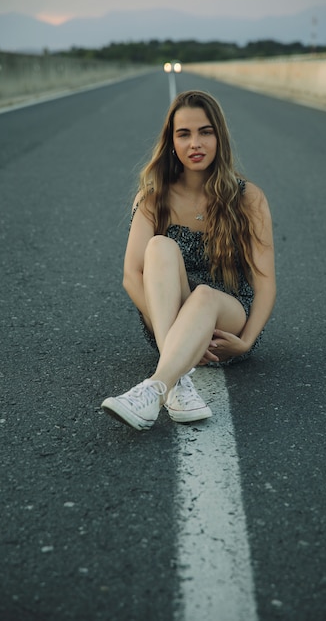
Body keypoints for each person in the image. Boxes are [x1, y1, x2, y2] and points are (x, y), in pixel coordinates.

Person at [101, 90, 276, 431]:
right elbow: (131, 275)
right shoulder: (154, 195)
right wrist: (177, 332)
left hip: (226, 322)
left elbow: (266, 281)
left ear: (219, 137)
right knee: (159, 248)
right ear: (171, 142)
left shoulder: (247, 197)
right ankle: (174, 380)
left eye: (205, 131)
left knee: (205, 296)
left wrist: (246, 342)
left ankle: (155, 386)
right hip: (168, 322)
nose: (195, 143)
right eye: (184, 134)